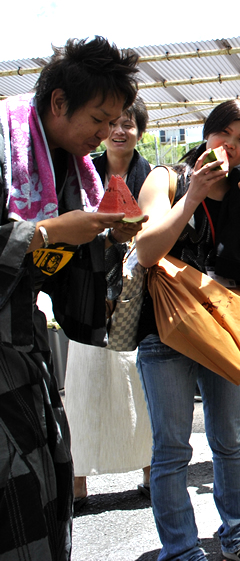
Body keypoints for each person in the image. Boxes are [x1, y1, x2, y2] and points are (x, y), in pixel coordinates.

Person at [0, 36, 139, 560]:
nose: (106, 136)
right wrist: (48, 232)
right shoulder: (4, 142)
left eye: (115, 123)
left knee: (46, 490)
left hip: (25, 353)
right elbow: (43, 237)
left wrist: (103, 241)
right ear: (58, 103)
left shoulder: (72, 168)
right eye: (99, 120)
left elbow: (69, 286)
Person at [135, 100, 240, 561]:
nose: (231, 149)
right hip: (166, 331)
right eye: (225, 136)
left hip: (224, 328)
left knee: (230, 441)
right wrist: (191, 195)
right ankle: (180, 551)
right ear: (207, 132)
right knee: (172, 448)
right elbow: (147, 251)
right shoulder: (166, 178)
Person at [65, 98, 153, 508]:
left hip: (138, 289)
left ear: (140, 131)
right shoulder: (82, 170)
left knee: (138, 380)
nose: (119, 131)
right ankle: (77, 479)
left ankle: (150, 470)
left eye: (128, 124)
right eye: (113, 123)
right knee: (83, 380)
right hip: (87, 284)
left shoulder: (151, 176)